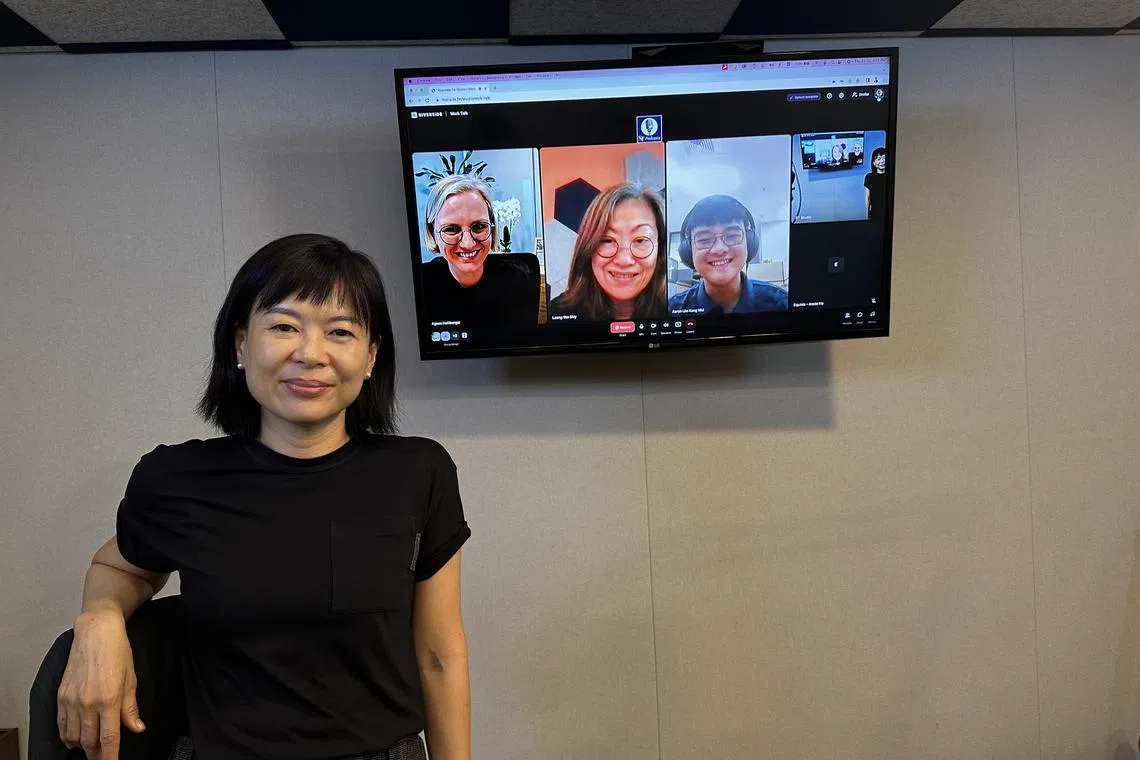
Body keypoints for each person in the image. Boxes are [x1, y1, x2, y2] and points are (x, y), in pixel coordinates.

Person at [56, 234, 471, 760]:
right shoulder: (177, 479)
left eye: (340, 332)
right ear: (240, 344)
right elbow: (119, 567)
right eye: (283, 327)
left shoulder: (419, 473)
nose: (311, 354)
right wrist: (99, 619)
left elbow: (439, 654)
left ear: (370, 357)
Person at [421, 174, 539, 326]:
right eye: (451, 229)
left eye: (479, 226)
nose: (468, 244)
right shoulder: (417, 288)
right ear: (432, 233)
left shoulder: (519, 280)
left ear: (492, 228)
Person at [547, 182, 667, 321]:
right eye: (607, 240)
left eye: (640, 240)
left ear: (660, 251)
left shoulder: (676, 309)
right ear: (588, 248)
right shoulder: (556, 314)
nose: (624, 260)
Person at [669, 194, 788, 315]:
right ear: (688, 250)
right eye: (704, 239)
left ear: (749, 242)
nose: (719, 249)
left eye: (732, 236)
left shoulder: (781, 304)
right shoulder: (672, 309)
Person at [865, 147, 888, 220]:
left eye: (884, 158)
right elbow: (868, 198)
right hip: (875, 213)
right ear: (874, 163)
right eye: (879, 159)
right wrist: (867, 217)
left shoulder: (892, 175)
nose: (882, 161)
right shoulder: (869, 177)